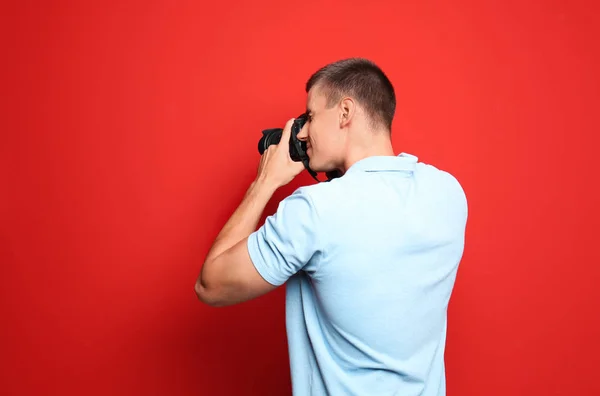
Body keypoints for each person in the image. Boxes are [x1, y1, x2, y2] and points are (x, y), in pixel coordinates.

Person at [195, 58, 468, 396]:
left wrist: (264, 182)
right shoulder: (446, 193)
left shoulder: (314, 211)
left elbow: (211, 285)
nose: (304, 131)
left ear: (345, 113)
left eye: (309, 116)